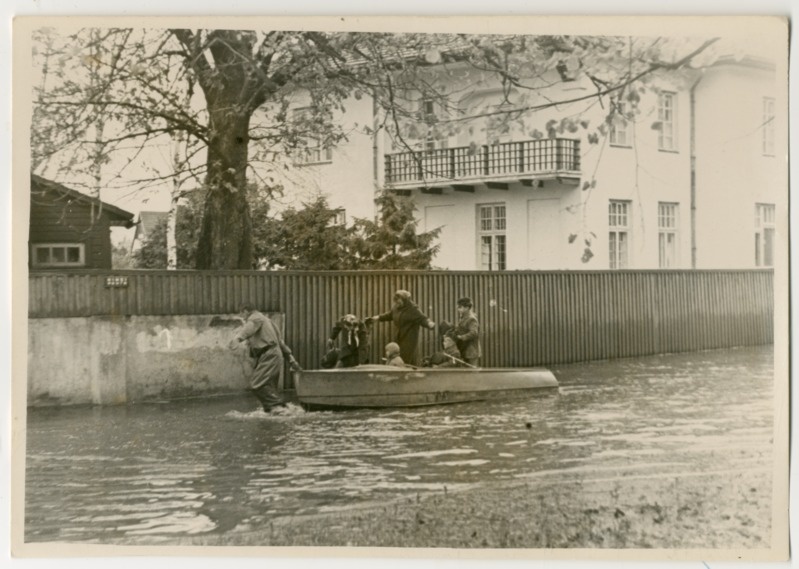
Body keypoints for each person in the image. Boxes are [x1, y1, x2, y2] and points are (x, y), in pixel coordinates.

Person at [229, 302, 300, 413]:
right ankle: (275, 410)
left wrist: (238, 339)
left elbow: (248, 329)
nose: (242, 317)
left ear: (246, 311)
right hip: (273, 354)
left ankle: (279, 407)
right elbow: (281, 343)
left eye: (241, 314)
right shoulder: (268, 321)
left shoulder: (255, 317)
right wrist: (291, 360)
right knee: (269, 386)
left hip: (269, 354)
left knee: (257, 384)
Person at [367, 290, 435, 366]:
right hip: (398, 337)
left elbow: (422, 318)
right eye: (396, 301)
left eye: (399, 301)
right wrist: (378, 318)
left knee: (405, 358)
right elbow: (389, 315)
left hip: (409, 339)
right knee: (396, 357)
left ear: (405, 300)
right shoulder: (396, 307)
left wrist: (429, 323)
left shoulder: (413, 309)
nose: (397, 303)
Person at [452, 297, 481, 367]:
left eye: (460, 307)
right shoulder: (464, 317)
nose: (458, 309)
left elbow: (474, 333)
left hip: (471, 352)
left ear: (467, 307)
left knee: (472, 373)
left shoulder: (471, 318)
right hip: (465, 349)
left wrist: (461, 337)